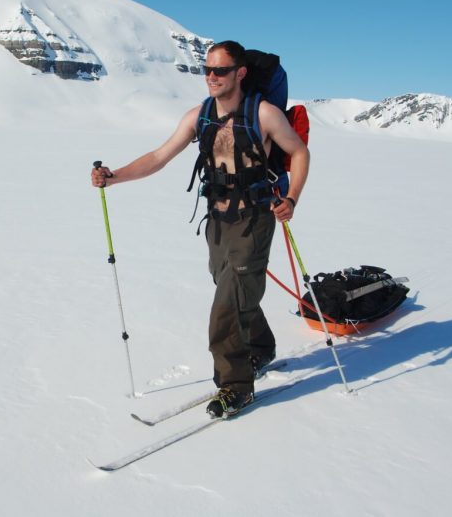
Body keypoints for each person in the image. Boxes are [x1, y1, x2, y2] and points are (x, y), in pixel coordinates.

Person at [91, 41, 310, 418]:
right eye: (206, 70)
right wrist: (116, 177)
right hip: (217, 222)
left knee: (226, 306)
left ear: (240, 73)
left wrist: (291, 198)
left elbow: (301, 153)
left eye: (220, 71)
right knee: (229, 287)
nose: (211, 77)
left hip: (254, 220)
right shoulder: (200, 116)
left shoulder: (265, 114)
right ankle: (260, 346)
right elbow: (160, 156)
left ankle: (235, 386)